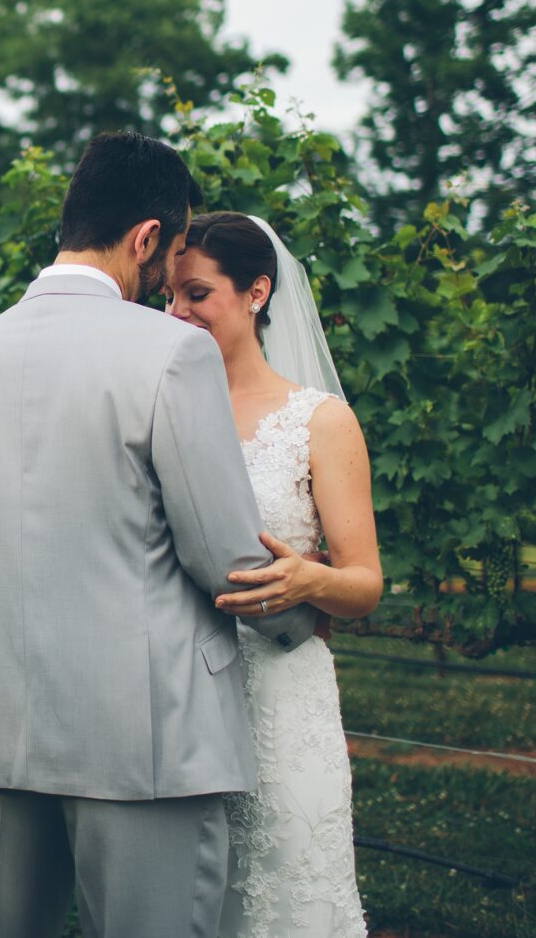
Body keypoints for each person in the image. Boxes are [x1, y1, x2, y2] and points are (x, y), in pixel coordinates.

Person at [0, 134, 318, 938]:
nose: (169, 279)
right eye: (173, 250)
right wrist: (302, 616)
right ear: (146, 238)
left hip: (7, 725)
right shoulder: (171, 352)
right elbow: (224, 555)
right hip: (147, 736)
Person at [166, 211, 382, 938]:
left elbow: (365, 583)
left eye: (197, 293)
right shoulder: (159, 408)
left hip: (285, 694)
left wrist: (309, 583)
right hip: (182, 693)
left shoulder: (321, 420)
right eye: (169, 296)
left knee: (287, 884)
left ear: (257, 291)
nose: (177, 312)